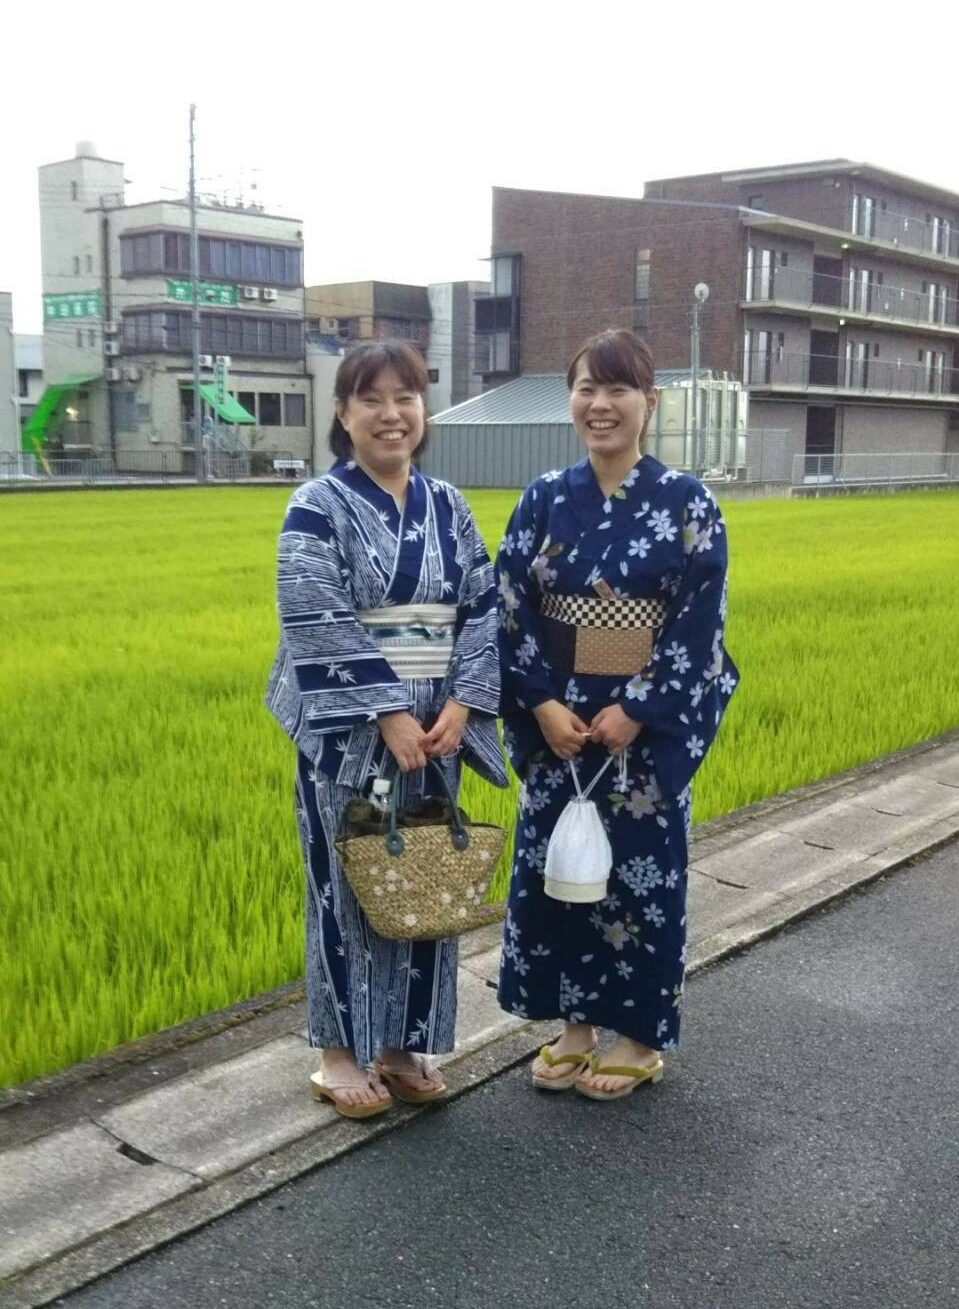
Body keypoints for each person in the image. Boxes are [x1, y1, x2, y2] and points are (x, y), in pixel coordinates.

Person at [496, 328, 738, 1100]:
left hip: (642, 732)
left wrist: (640, 706)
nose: (600, 404)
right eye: (586, 388)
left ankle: (635, 1036)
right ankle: (573, 1026)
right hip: (559, 730)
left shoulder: (687, 501)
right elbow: (509, 607)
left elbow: (699, 620)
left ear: (648, 401)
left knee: (640, 880)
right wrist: (539, 703)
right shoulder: (542, 498)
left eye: (618, 388)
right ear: (569, 399)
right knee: (557, 874)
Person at [266, 340, 506, 1119]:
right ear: (343, 413)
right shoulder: (316, 505)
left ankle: (404, 1043)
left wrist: (462, 703)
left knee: (425, 878)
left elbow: (482, 606)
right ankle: (339, 1052)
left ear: (422, 410)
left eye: (405, 396)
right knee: (346, 885)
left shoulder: (449, 505)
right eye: (370, 398)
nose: (390, 413)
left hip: (437, 731)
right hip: (351, 739)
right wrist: (387, 711)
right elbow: (314, 612)